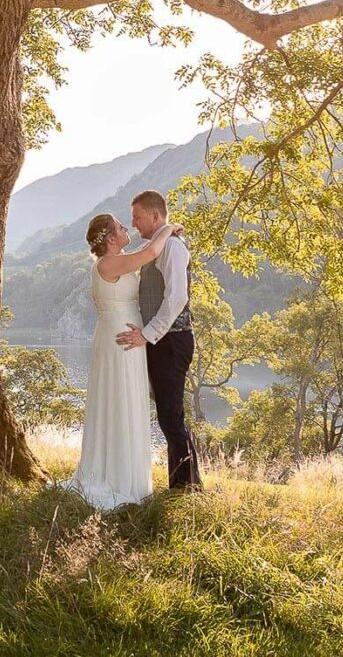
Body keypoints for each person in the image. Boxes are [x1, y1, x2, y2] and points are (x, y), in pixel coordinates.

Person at [64, 210, 175, 509]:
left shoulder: (110, 261)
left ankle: (126, 475)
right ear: (112, 239)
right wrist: (169, 227)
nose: (127, 229)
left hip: (122, 334)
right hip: (120, 339)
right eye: (121, 227)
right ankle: (118, 479)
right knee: (120, 400)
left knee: (124, 400)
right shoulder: (110, 263)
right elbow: (151, 250)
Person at [116, 189, 202, 491]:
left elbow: (177, 297)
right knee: (169, 415)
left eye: (137, 218)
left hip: (173, 341)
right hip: (162, 342)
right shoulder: (158, 245)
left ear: (155, 216)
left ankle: (186, 488)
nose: (135, 224)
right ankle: (187, 483)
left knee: (170, 416)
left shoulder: (173, 249)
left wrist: (148, 334)